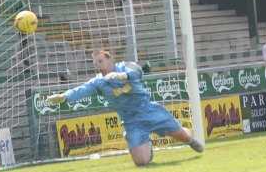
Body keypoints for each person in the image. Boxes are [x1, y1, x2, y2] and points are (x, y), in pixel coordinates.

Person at [47, 50, 204, 166]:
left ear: (110, 58)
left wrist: (123, 76)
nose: (98, 66)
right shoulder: (99, 82)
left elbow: (138, 72)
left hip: (149, 111)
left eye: (100, 61)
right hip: (131, 121)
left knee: (182, 136)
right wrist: (64, 96)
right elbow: (81, 90)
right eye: (96, 63)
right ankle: (146, 146)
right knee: (141, 162)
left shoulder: (125, 67)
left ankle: (191, 140)